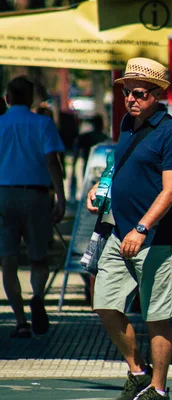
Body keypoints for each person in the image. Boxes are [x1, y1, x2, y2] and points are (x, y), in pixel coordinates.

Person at [86, 58, 172, 400]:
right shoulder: (127, 124)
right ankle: (138, 370)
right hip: (119, 231)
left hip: (152, 237)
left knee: (156, 315)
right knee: (104, 303)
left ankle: (158, 390)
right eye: (127, 92)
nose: (131, 99)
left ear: (158, 94)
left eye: (139, 93)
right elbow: (119, 166)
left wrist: (142, 228)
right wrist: (101, 188)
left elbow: (171, 190)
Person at [0, 76, 66, 338]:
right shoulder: (43, 123)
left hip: (4, 195)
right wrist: (60, 197)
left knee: (8, 261)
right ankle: (37, 294)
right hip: (37, 195)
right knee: (39, 257)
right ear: (31, 99)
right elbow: (52, 161)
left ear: (7, 98)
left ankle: (20, 322)